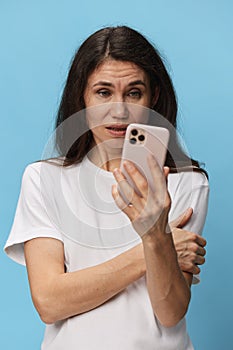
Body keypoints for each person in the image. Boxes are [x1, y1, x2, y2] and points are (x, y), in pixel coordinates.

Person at [4, 26, 209, 350]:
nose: (119, 111)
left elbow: (169, 313)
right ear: (81, 97)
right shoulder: (43, 180)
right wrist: (157, 247)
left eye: (134, 92)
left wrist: (155, 232)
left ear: (153, 97)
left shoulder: (186, 182)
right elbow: (49, 302)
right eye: (103, 92)